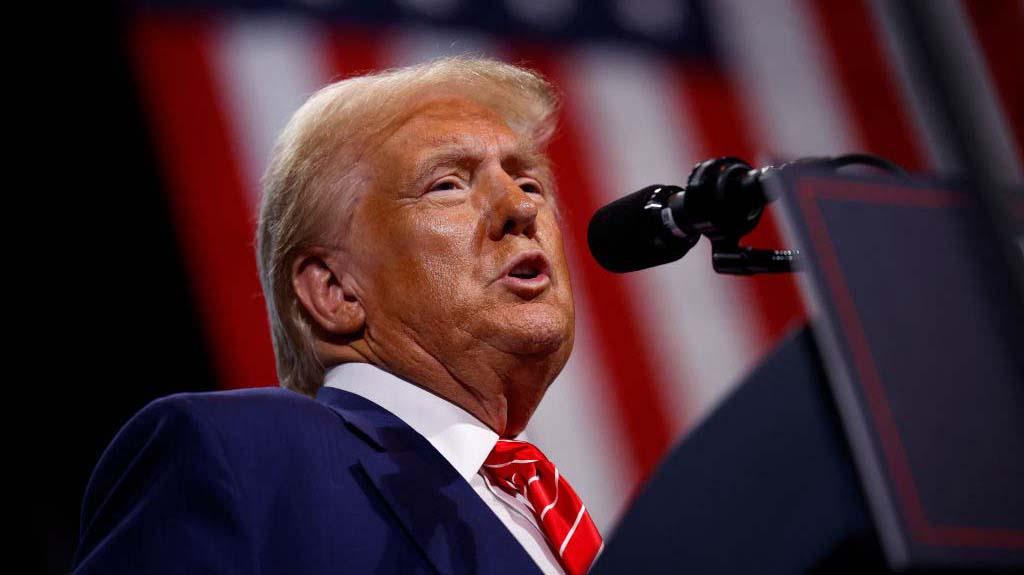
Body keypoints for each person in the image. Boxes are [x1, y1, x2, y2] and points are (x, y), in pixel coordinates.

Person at [72, 56, 603, 575]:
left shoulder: (547, 514)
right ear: (334, 291)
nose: (522, 208)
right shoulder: (237, 457)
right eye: (447, 184)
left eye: (530, 183)